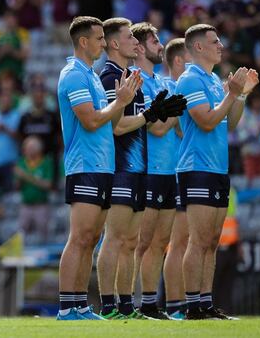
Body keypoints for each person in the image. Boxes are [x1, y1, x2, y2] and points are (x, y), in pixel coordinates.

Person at [56, 16, 142, 320]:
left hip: (103, 165)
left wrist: (121, 104)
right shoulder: (74, 75)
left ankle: (79, 304)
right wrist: (120, 102)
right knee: (80, 237)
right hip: (85, 165)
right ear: (84, 41)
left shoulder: (90, 75)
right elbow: (91, 120)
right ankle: (67, 306)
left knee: (91, 239)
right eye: (98, 38)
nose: (103, 43)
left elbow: (110, 122)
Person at [97, 18, 183, 319]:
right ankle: (108, 305)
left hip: (138, 167)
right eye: (129, 38)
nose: (135, 42)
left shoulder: (128, 76)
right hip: (119, 166)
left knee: (131, 242)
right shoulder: (109, 77)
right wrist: (152, 115)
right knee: (116, 237)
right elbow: (117, 127)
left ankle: (125, 305)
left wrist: (153, 114)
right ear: (115, 43)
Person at [177, 24, 257, 320]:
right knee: (198, 240)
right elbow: (207, 122)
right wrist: (230, 94)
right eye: (214, 41)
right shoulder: (189, 80)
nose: (221, 45)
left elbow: (229, 123)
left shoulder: (211, 80)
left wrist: (241, 96)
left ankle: (205, 303)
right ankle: (191, 305)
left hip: (216, 168)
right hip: (196, 167)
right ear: (198, 47)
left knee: (212, 241)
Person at [131, 23, 187, 320]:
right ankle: (129, 303)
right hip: (148, 171)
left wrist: (169, 116)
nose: (160, 44)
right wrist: (170, 116)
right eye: (154, 40)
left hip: (170, 171)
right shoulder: (137, 81)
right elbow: (154, 127)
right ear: (139, 47)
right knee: (140, 242)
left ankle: (151, 303)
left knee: (159, 243)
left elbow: (178, 131)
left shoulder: (168, 85)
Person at [160, 38, 192, 319]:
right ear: (179, 61)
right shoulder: (169, 89)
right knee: (179, 242)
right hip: (175, 171)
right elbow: (181, 130)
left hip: (182, 170)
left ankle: (185, 303)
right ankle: (175, 306)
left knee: (186, 241)